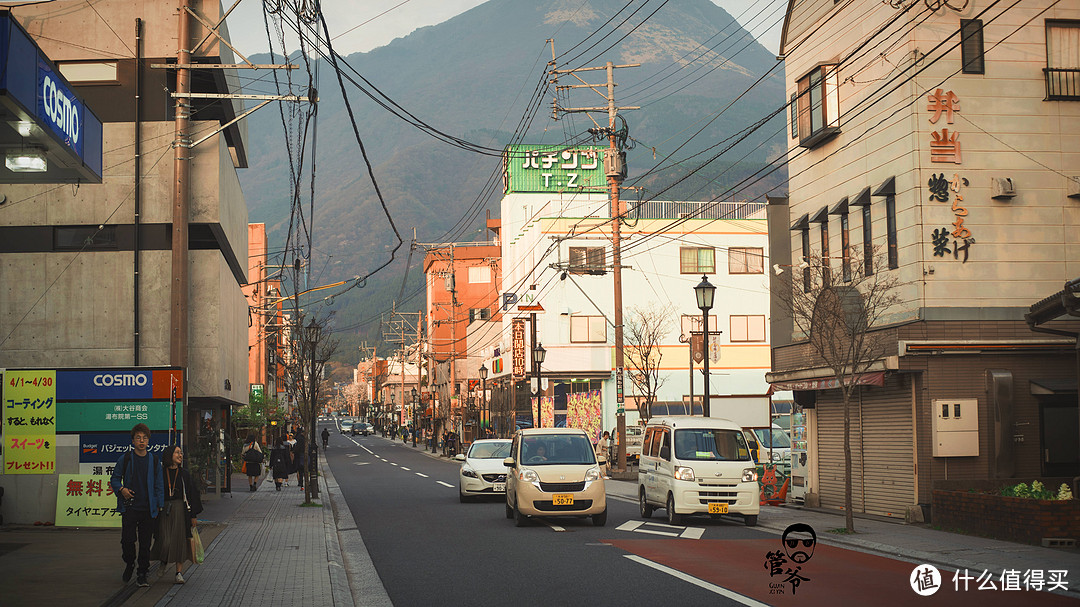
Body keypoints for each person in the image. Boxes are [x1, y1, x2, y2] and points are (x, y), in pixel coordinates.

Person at [109, 423, 164, 588]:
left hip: (148, 508)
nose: (142, 441)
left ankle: (142, 573)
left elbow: (159, 485)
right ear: (133, 440)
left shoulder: (154, 460)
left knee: (145, 543)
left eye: (145, 438)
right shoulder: (125, 458)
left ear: (148, 441)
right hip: (130, 507)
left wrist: (159, 505)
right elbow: (115, 479)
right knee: (127, 540)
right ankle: (130, 563)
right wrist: (121, 489)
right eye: (138, 438)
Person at [151, 445, 203, 584]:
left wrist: (193, 516)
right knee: (165, 540)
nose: (180, 455)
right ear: (169, 455)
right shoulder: (161, 473)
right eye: (177, 453)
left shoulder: (184, 474)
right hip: (164, 509)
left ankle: (179, 572)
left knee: (180, 541)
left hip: (181, 509)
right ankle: (163, 561)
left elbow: (192, 495)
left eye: (181, 453)